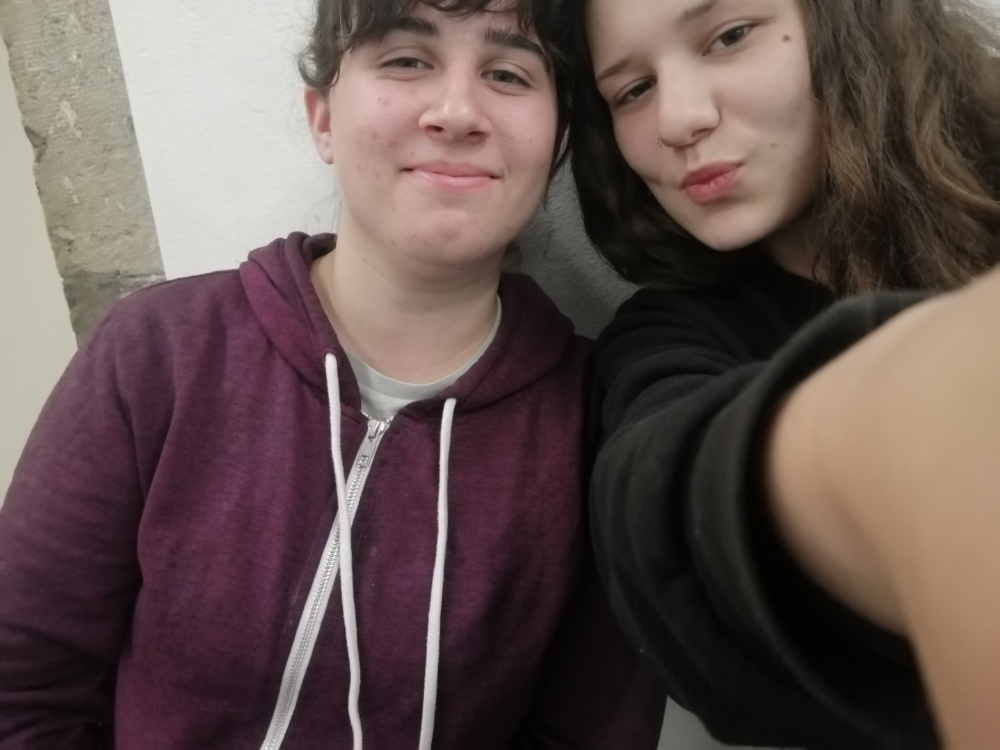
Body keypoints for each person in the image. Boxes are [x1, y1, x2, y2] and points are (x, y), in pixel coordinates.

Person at [0, 0, 668, 747]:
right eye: (406, 60)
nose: (456, 112)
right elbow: (22, 690)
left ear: (557, 142)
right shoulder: (156, 350)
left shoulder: (600, 428)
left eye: (509, 73)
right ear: (322, 118)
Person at [567, 0, 1000, 747]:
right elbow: (658, 526)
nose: (680, 119)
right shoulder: (672, 334)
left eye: (729, 37)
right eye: (632, 90)